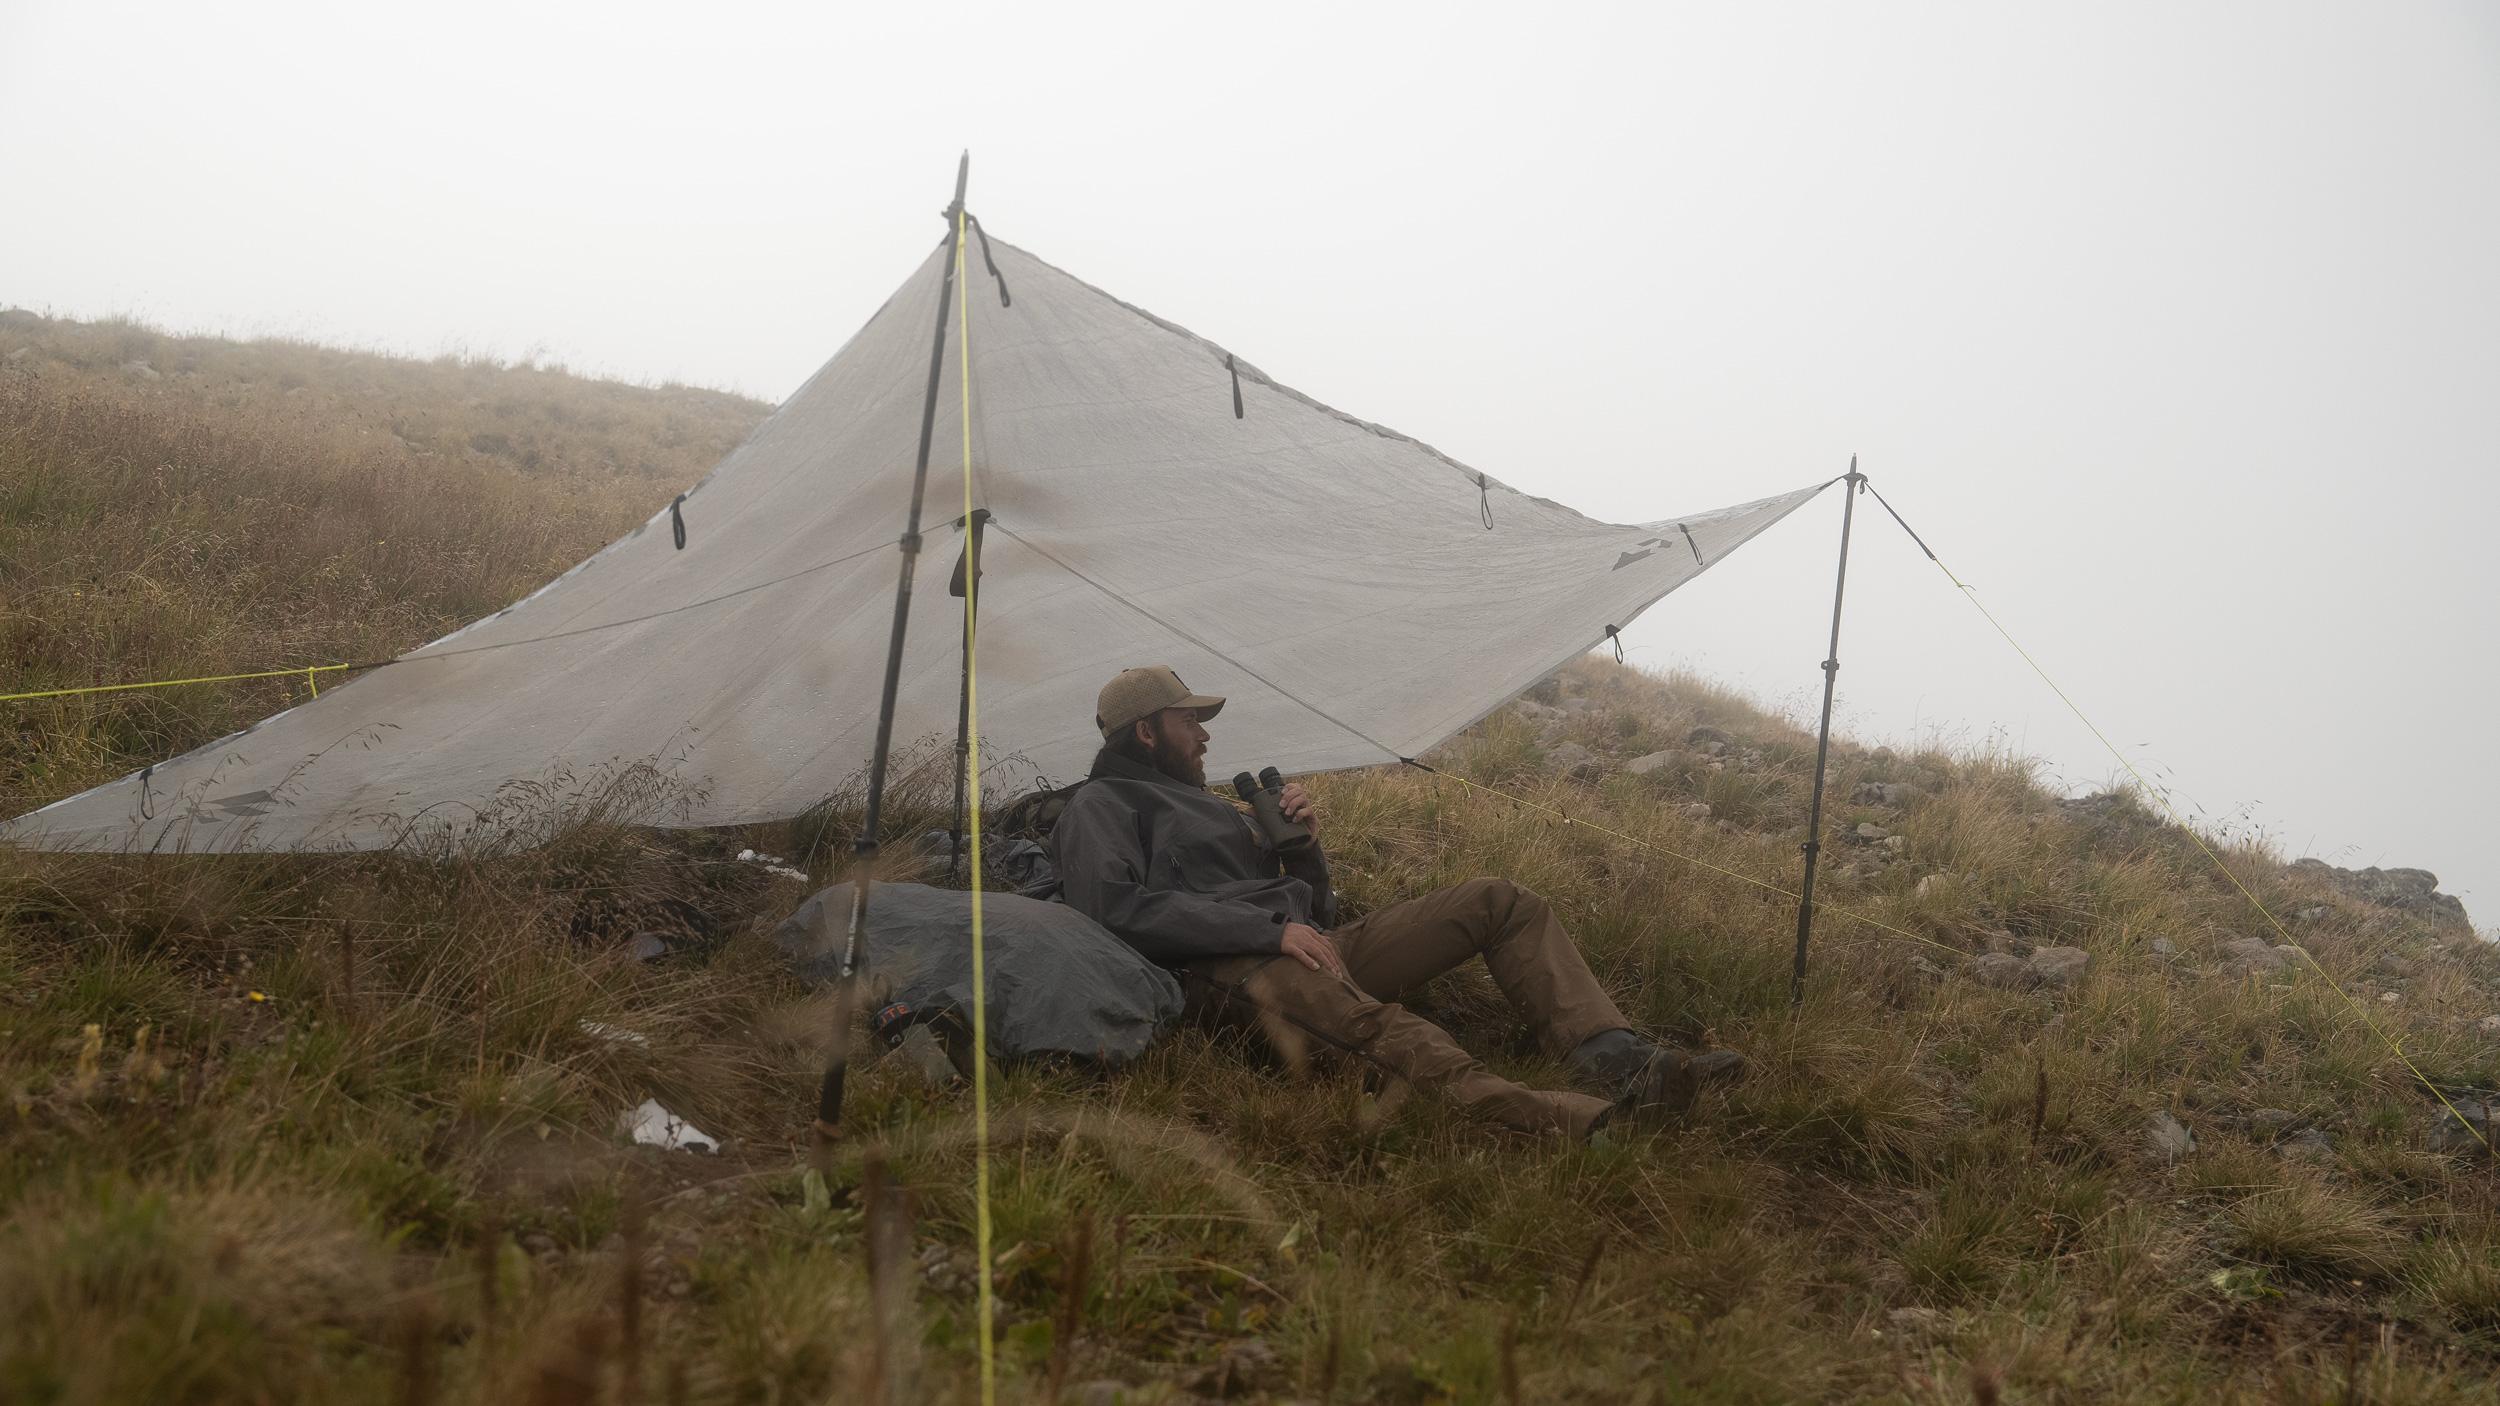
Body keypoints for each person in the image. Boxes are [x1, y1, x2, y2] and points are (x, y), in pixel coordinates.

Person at [1049, 664, 1745, 1139]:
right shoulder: (1101, 805)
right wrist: (1264, 929)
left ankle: (1620, 1060)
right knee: (1389, 1034)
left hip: (1303, 944)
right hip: (1231, 973)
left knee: (1499, 901)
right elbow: (1112, 909)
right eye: (1187, 721)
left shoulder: (1219, 808)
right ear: (1145, 732)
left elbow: (1315, 913)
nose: (1203, 734)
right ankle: (1582, 1125)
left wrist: (1301, 849)